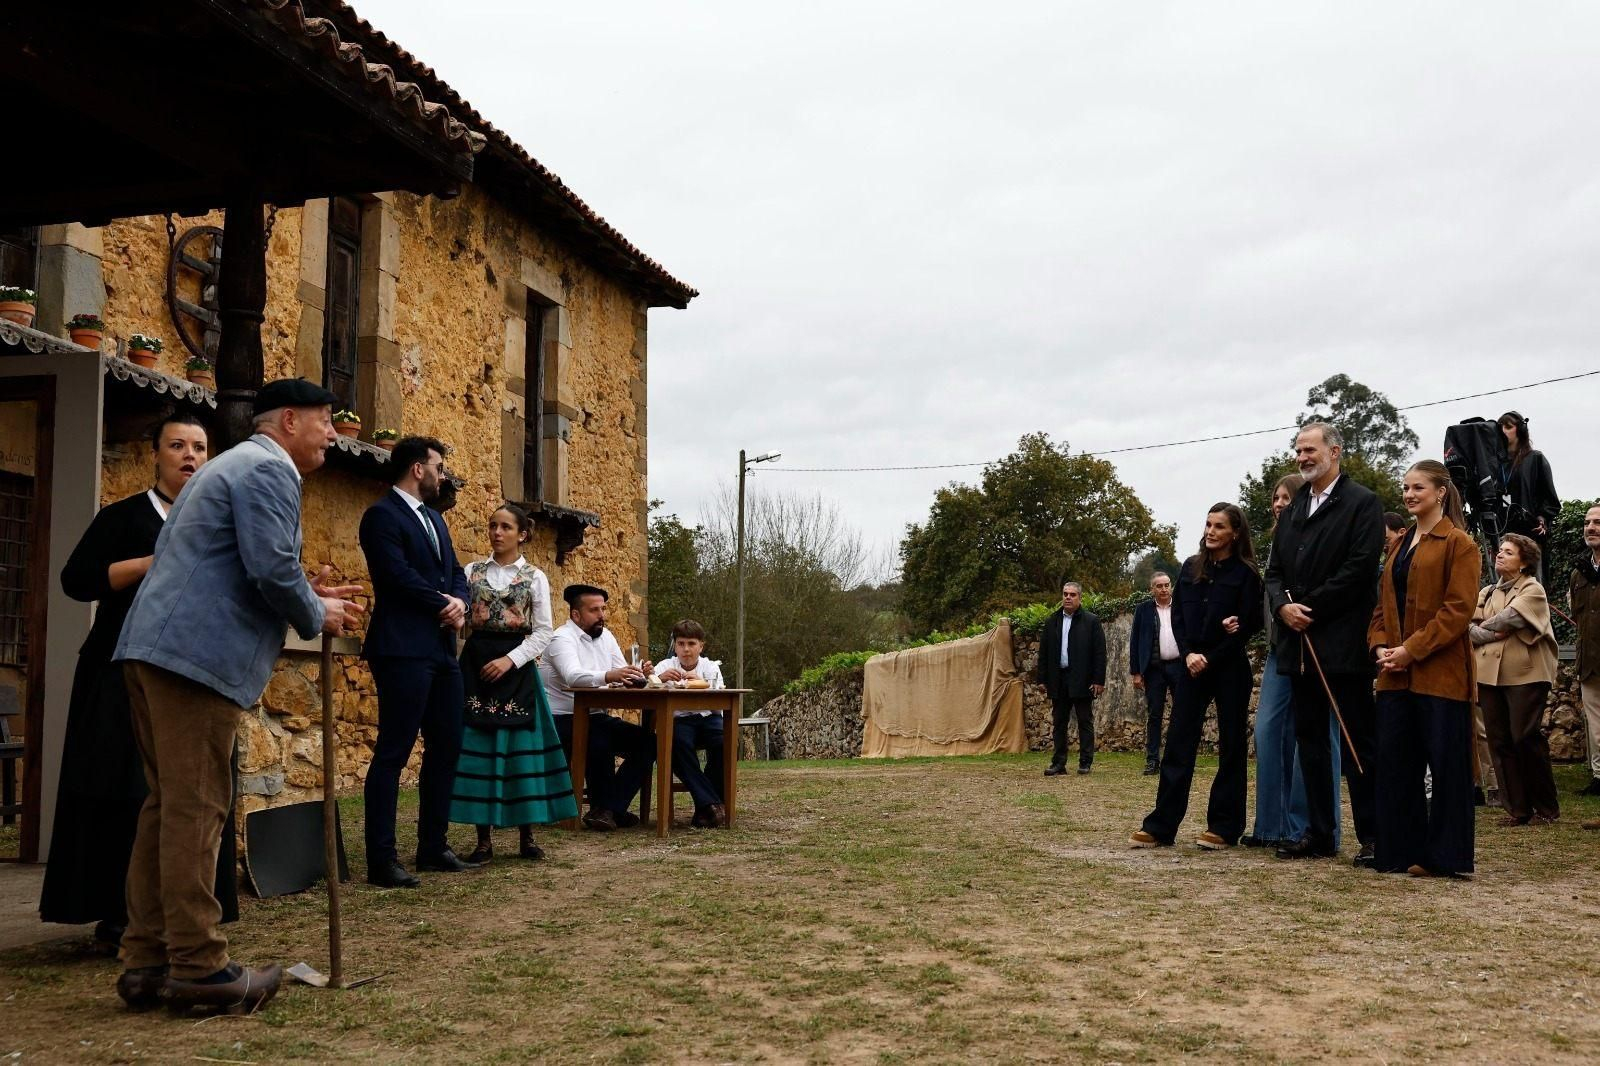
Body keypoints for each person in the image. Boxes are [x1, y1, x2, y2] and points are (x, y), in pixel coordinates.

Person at [111, 379, 362, 1014]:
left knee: (168, 808)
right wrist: (317, 613)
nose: (334, 434)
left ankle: (147, 960)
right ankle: (199, 967)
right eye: (325, 420)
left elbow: (227, 562)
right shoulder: (267, 469)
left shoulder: (232, 466)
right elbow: (269, 567)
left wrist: (308, 595)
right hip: (193, 658)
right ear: (288, 422)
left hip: (158, 649)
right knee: (196, 810)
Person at [41, 414, 238, 949]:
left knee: (191, 791)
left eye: (199, 447)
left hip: (194, 669)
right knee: (124, 788)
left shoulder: (218, 521)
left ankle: (186, 912)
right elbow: (77, 581)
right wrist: (154, 562)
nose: (189, 455)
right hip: (117, 669)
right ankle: (118, 913)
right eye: (177, 445)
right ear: (155, 454)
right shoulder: (123, 517)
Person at [360, 436, 475, 889]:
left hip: (441, 651)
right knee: (394, 750)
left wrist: (460, 602)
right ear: (417, 469)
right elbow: (395, 576)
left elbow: (457, 573)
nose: (443, 475)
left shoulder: (434, 519)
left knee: (447, 744)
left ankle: (433, 846)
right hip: (402, 648)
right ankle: (382, 859)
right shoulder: (381, 516)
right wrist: (442, 604)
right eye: (439, 467)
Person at [1266, 422, 1383, 864]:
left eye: (1310, 449)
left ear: (1335, 452)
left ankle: (1375, 836)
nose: (1302, 457)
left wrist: (1308, 608)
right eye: (1298, 451)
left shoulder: (1363, 503)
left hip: (1343, 645)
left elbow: (1359, 571)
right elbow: (1274, 572)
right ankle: (1318, 834)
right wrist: (1282, 607)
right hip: (1297, 648)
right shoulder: (1294, 506)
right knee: (1310, 741)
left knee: (1357, 743)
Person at [1368, 460, 1481, 877]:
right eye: (1405, 487)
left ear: (1440, 493)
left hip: (1441, 675)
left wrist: (1410, 650)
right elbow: (1382, 606)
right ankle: (1399, 851)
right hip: (1394, 675)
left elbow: (1457, 612)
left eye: (1418, 487)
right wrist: (1381, 645)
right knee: (1396, 763)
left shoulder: (1460, 544)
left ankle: (1445, 857)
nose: (1409, 494)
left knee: (1447, 765)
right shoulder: (1398, 545)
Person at [450, 503, 577, 863]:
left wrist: (510, 660)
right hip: (476, 665)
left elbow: (544, 632)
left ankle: (527, 836)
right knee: (479, 746)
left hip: (517, 668)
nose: (497, 532)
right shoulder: (472, 571)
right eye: (493, 525)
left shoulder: (535, 577)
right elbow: (460, 620)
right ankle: (483, 841)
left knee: (521, 751)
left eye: (505, 527)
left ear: (522, 534)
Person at [1131, 503, 1262, 849]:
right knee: (1178, 743)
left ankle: (1224, 827)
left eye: (1219, 526)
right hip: (1191, 664)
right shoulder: (1191, 568)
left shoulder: (1247, 574)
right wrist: (1188, 653)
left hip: (1228, 666)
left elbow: (1249, 624)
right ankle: (1161, 826)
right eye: (1208, 524)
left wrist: (1212, 657)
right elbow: (1177, 618)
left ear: (1235, 533)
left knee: (1231, 747)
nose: (1211, 531)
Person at [1242, 473, 1342, 851]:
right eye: (1276, 498)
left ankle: (1313, 828)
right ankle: (1271, 826)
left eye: (1287, 498)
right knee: (1268, 731)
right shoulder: (1277, 542)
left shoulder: (1316, 537)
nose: (1279, 504)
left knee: (1315, 738)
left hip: (1315, 647)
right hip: (1278, 649)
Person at [539, 584, 657, 830]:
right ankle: (608, 809)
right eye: (594, 610)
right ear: (576, 614)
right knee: (600, 741)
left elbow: (620, 675)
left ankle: (608, 809)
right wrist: (611, 675)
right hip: (561, 720)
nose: (602, 615)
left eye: (603, 609)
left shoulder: (606, 637)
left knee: (649, 742)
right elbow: (573, 676)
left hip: (595, 716)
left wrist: (637, 675)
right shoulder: (561, 638)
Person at [1471, 533, 1560, 826]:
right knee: (1499, 740)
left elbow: (1510, 618)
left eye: (1508, 552)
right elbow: (1466, 629)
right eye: (1500, 550)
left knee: (1525, 736)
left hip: (1526, 673)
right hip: (1489, 676)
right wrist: (1490, 632)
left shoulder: (1533, 589)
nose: (1499, 554)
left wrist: (1482, 628)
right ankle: (1518, 810)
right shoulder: (1486, 592)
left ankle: (1545, 808)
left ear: (1524, 562)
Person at [655, 619, 728, 828]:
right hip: (679, 719)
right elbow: (647, 688)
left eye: (691, 644)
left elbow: (720, 702)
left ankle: (706, 807)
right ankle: (712, 804)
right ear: (675, 645)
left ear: (701, 646)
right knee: (676, 743)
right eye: (681, 644)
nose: (686, 649)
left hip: (708, 718)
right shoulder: (665, 666)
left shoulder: (710, 667)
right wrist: (659, 679)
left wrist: (701, 683)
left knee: (725, 742)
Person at [1036, 581, 1106, 776]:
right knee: (1059, 721)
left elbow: (1099, 653)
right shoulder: (1052, 621)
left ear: (1079, 598)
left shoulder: (1091, 621)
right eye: (1065, 594)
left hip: (1083, 679)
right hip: (1058, 678)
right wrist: (1042, 679)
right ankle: (1059, 763)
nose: (1068, 597)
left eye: (1072, 594)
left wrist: (1098, 680)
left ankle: (1085, 762)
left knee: (1084, 720)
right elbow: (1044, 652)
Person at [1129, 573, 1182, 775]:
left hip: (1179, 667)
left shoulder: (1181, 606)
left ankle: (1179, 758)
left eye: (1167, 585)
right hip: (1154, 670)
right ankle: (1152, 760)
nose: (1164, 589)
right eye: (1159, 586)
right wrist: (1136, 672)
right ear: (1152, 589)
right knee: (1154, 715)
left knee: (1182, 713)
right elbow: (1135, 641)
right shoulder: (1143, 610)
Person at [1497, 412, 1560, 580]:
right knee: (1503, 587)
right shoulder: (1494, 463)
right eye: (1500, 427)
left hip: (1529, 537)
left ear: (1520, 430)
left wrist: (1542, 517)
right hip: (1503, 535)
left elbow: (1550, 498)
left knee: (1531, 585)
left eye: (1508, 427)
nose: (1503, 431)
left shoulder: (1535, 458)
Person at [1571, 503, 1600, 811]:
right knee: (1595, 725)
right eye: (1587, 522)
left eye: (1598, 522)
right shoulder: (1578, 573)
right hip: (1589, 662)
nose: (1591, 527)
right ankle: (1598, 777)